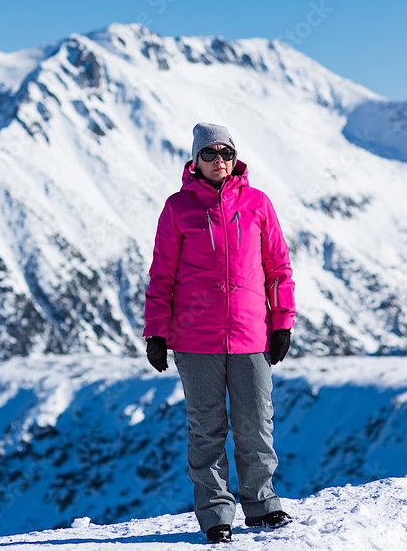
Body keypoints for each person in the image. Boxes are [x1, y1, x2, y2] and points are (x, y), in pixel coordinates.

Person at [144, 122, 295, 544]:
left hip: (251, 335)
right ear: (195, 159)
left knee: (255, 425)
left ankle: (262, 505)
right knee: (207, 429)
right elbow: (162, 274)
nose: (218, 161)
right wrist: (155, 332)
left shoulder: (257, 204)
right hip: (195, 340)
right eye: (209, 154)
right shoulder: (178, 208)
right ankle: (215, 515)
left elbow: (278, 269)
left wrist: (282, 322)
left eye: (225, 153)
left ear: (235, 157)